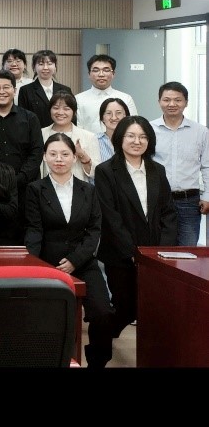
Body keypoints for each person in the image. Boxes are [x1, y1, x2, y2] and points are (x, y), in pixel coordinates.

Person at [24, 132, 114, 368]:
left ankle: (97, 362)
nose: (59, 159)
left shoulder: (88, 190)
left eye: (65, 154)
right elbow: (34, 230)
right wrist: (33, 265)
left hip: (83, 261)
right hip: (48, 263)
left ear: (74, 157)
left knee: (103, 312)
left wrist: (75, 260)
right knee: (48, 316)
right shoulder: (35, 189)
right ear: (45, 157)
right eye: (53, 154)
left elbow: (94, 230)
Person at [95, 115, 177, 337]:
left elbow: (168, 212)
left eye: (143, 137)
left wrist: (161, 251)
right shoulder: (105, 171)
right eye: (131, 136)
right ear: (120, 138)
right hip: (121, 254)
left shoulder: (158, 170)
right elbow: (110, 218)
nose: (137, 141)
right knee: (125, 307)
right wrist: (133, 253)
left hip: (154, 254)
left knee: (152, 306)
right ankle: (99, 344)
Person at [0, 69, 44, 234]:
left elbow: (36, 152)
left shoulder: (30, 118)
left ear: (15, 90)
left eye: (6, 87)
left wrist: (19, 179)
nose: (2, 91)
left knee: (23, 234)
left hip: (25, 188)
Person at [149, 81, 209, 246]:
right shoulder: (149, 129)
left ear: (186, 102)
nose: (172, 104)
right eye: (166, 100)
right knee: (158, 247)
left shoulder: (200, 131)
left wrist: (207, 196)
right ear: (159, 102)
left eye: (177, 100)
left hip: (189, 201)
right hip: (157, 199)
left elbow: (207, 166)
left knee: (188, 248)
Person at [40, 91, 100, 182]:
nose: (60, 112)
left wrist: (82, 154)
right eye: (56, 108)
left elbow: (96, 173)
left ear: (74, 112)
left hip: (77, 188)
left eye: (66, 109)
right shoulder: (40, 134)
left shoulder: (89, 137)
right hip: (46, 187)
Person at [75, 54, 139, 134]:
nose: (101, 74)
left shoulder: (126, 98)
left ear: (113, 74)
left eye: (106, 70)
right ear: (89, 74)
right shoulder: (78, 99)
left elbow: (134, 126)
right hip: (88, 142)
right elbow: (77, 128)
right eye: (96, 70)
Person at [18, 50, 73, 128]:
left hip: (62, 133)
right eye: (41, 64)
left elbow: (72, 116)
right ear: (34, 67)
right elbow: (23, 118)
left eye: (49, 64)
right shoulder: (25, 90)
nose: (45, 67)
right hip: (36, 133)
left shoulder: (66, 90)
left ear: (55, 66)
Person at [97, 97, 130, 166]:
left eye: (118, 113)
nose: (114, 117)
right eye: (109, 113)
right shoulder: (94, 140)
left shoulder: (134, 140)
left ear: (125, 116)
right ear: (102, 118)